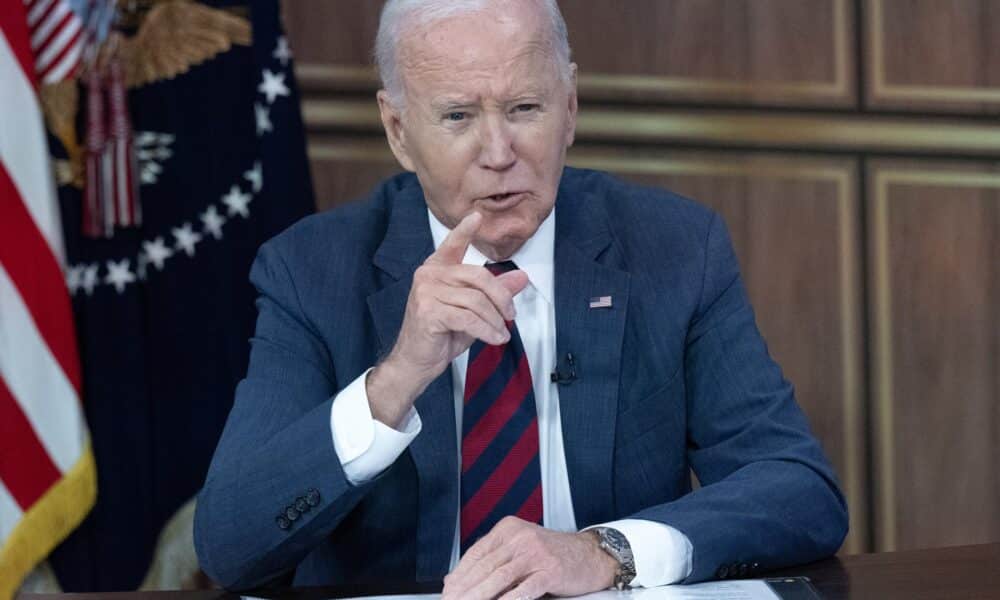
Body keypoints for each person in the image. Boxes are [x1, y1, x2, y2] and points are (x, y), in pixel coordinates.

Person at [193, 0, 848, 597]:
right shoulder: (311, 272)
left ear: (570, 107)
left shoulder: (671, 249)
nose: (498, 153)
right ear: (397, 130)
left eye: (524, 109)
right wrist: (394, 382)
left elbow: (799, 490)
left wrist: (608, 551)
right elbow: (231, 546)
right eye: (458, 117)